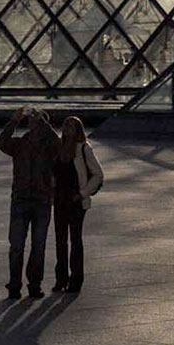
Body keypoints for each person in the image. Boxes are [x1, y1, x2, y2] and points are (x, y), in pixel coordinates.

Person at [0, 109, 60, 299]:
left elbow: (59, 144)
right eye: (32, 122)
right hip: (22, 200)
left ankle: (34, 285)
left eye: (38, 122)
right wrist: (13, 121)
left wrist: (45, 123)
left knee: (37, 247)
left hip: (40, 200)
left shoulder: (50, 147)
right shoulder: (19, 144)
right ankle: (15, 285)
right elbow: (1, 143)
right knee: (17, 246)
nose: (33, 124)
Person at [51, 116, 104, 294]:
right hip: (59, 199)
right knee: (60, 241)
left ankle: (76, 279)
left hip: (75, 200)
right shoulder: (58, 148)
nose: (67, 128)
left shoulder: (84, 148)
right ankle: (61, 279)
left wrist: (82, 194)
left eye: (72, 126)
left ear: (78, 130)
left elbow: (98, 174)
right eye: (66, 124)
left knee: (74, 240)